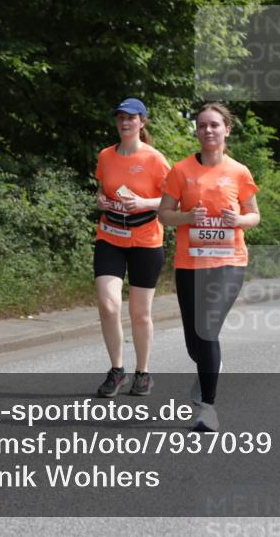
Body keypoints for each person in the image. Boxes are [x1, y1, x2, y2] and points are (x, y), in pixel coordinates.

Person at [158, 103, 260, 432]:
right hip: (190, 263)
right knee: (195, 342)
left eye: (214, 125)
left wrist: (238, 220)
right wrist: (187, 217)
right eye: (202, 125)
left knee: (207, 329)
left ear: (226, 130)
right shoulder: (180, 170)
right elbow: (163, 214)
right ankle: (209, 366)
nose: (208, 130)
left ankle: (208, 408)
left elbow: (254, 215)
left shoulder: (239, 172)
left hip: (229, 262)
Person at [93, 98, 171, 398]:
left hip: (146, 240)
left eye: (131, 118)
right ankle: (117, 370)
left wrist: (144, 202)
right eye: (120, 118)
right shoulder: (106, 155)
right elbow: (102, 189)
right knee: (108, 305)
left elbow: (174, 199)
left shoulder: (155, 159)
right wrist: (101, 200)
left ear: (142, 122)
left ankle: (143, 372)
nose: (125, 123)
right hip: (110, 236)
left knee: (140, 314)